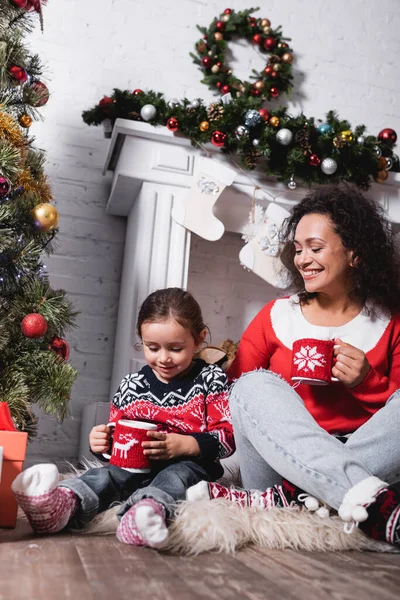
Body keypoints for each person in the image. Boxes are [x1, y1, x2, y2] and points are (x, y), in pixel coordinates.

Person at [188, 185, 400, 548]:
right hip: (276, 466)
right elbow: (235, 406)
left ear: (355, 254)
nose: (303, 259)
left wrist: (367, 381)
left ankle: (292, 498)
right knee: (252, 385)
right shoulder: (275, 317)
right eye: (298, 249)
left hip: (366, 456)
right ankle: (362, 500)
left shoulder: (390, 322)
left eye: (315, 248)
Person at [12, 288, 235, 548]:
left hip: (190, 465)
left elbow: (228, 437)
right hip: (135, 466)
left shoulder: (211, 380)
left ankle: (146, 512)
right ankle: (63, 503)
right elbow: (118, 435)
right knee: (105, 476)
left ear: (199, 340)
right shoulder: (133, 384)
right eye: (152, 348)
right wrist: (103, 443)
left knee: (175, 477)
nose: (163, 358)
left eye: (175, 348)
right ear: (141, 340)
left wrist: (187, 445)